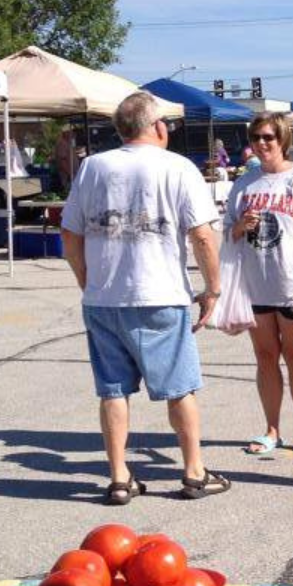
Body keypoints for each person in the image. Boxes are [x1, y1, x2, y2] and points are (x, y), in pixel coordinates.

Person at [60, 91, 230, 504]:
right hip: (160, 293)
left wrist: (88, 280)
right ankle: (193, 471)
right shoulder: (177, 168)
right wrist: (212, 288)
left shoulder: (93, 168)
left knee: (113, 390)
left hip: (104, 297)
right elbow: (203, 235)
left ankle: (119, 477)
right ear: (157, 127)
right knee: (179, 387)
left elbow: (70, 232)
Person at [225, 113, 293, 457]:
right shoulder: (243, 184)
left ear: (283, 139)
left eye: (268, 137)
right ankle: (272, 430)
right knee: (265, 357)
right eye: (255, 137)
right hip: (256, 284)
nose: (261, 144)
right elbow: (227, 232)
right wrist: (240, 227)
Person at [54, 126, 81, 192]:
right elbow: (62, 161)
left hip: (72, 176)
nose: (74, 134)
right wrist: (70, 174)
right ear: (66, 133)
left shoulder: (68, 143)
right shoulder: (62, 144)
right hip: (68, 177)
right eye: (72, 132)